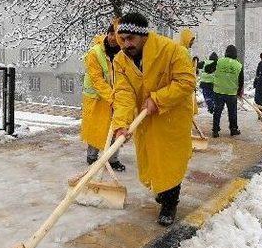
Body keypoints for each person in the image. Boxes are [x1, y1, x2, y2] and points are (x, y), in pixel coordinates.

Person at [112, 13, 195, 226]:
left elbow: (186, 82)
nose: (126, 44)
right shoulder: (121, 60)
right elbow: (123, 93)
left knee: (170, 162)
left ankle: (170, 203)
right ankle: (163, 189)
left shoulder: (171, 50)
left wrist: (158, 99)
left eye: (131, 38)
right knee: (151, 161)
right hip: (145, 119)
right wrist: (121, 124)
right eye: (122, 39)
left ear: (143, 36)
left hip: (171, 117)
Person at [80, 23, 125, 171]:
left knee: (116, 127)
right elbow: (97, 80)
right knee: (97, 127)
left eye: (116, 34)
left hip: (115, 97)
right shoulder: (95, 53)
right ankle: (92, 157)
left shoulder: (123, 54)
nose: (112, 37)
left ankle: (112, 159)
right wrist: (112, 98)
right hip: (96, 99)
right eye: (110, 33)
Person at [211, 45, 243, 138]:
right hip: (231, 94)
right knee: (232, 112)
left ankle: (215, 131)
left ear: (226, 52)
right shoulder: (238, 65)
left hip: (219, 91)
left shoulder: (219, 62)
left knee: (217, 111)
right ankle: (233, 130)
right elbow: (241, 80)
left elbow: (208, 69)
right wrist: (239, 91)